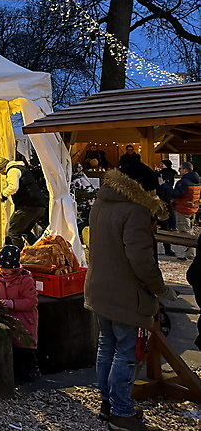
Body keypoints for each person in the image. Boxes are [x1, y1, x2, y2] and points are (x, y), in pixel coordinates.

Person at [85, 161, 175, 431]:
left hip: (100, 288)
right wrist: (159, 288)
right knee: (126, 353)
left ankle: (108, 404)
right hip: (126, 293)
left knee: (106, 347)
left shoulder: (101, 203)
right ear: (141, 188)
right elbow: (141, 259)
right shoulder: (135, 210)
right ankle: (121, 413)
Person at [0, 245, 40, 381]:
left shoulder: (25, 280)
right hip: (8, 318)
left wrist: (11, 303)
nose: (5, 275)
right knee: (13, 347)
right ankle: (16, 371)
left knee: (25, 348)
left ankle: (32, 370)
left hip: (24, 320)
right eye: (3, 272)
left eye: (8, 273)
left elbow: (31, 301)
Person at [0, 157, 48, 249]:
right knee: (25, 231)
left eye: (0, 172)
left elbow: (13, 187)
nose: (2, 175)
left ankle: (19, 255)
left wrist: (3, 194)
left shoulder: (12, 171)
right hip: (39, 206)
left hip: (27, 206)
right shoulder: (22, 169)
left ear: (2, 169)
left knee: (14, 232)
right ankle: (38, 251)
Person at [169, 161, 200, 260]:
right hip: (192, 208)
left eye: (180, 168)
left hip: (182, 209)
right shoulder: (197, 181)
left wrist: (165, 186)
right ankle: (191, 253)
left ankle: (190, 254)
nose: (179, 170)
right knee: (189, 230)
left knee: (185, 232)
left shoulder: (184, 182)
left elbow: (176, 194)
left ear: (185, 170)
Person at [155, 160, 177, 257]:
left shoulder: (166, 174)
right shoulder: (164, 174)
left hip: (163, 202)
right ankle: (167, 248)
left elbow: (166, 188)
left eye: (162, 164)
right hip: (163, 201)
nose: (160, 166)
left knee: (164, 225)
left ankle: (167, 248)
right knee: (164, 226)